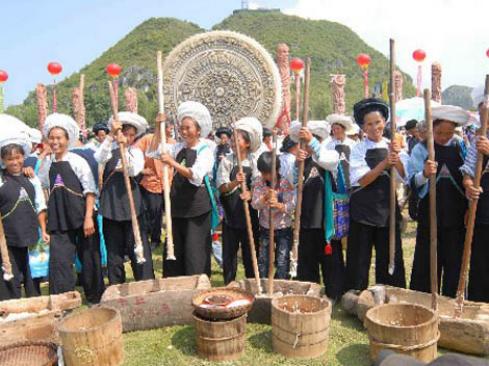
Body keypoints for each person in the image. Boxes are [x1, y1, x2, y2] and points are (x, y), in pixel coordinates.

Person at [38, 113, 104, 303]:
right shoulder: (47, 164)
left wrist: (88, 217)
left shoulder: (77, 161)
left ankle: (95, 297)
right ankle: (62, 301)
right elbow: (40, 183)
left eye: (59, 138)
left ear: (67, 140)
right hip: (59, 219)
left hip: (81, 216)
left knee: (89, 257)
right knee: (59, 262)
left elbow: (90, 190)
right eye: (51, 138)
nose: (55, 141)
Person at [346, 98, 407, 292]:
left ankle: (390, 292)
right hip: (363, 211)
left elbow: (405, 176)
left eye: (378, 122)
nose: (374, 127)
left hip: (387, 211)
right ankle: (356, 294)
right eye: (369, 124)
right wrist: (384, 163)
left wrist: (396, 159)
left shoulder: (394, 146)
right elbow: (362, 180)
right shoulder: (358, 149)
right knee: (359, 257)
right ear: (363, 127)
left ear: (385, 122)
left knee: (389, 255)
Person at [409, 105, 469, 297]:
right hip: (430, 214)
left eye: (449, 133)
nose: (444, 136)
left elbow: (468, 174)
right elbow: (413, 180)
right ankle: (423, 300)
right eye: (439, 132)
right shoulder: (421, 149)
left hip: (455, 215)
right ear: (431, 129)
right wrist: (425, 174)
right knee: (427, 262)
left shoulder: (460, 147)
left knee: (454, 260)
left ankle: (452, 300)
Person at [95, 111, 154, 285]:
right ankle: (116, 286)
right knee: (114, 254)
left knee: (138, 248)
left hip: (132, 207)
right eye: (124, 134)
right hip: (111, 207)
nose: (127, 138)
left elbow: (134, 170)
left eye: (131, 135)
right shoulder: (107, 149)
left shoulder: (135, 152)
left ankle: (145, 284)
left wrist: (124, 156)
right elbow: (99, 158)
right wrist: (112, 136)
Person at [159, 101, 215, 277]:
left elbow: (195, 175)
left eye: (188, 128)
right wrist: (157, 126)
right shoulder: (178, 147)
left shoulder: (205, 150)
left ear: (198, 130)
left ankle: (197, 287)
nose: (184, 132)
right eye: (181, 128)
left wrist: (172, 163)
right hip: (176, 208)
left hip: (196, 209)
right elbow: (154, 151)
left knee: (194, 253)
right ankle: (175, 287)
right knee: (175, 250)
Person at [290, 121, 345, 300]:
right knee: (307, 260)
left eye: (310, 140)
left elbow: (327, 161)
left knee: (331, 260)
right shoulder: (302, 160)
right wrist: (296, 165)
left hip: (325, 219)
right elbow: (294, 183)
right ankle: (310, 292)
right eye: (304, 141)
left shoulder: (330, 155)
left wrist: (312, 142)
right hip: (306, 218)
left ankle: (334, 292)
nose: (306, 145)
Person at [0, 118, 48, 300]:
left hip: (31, 233)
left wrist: (43, 230)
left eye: (17, 157)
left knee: (32, 273)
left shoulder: (31, 177)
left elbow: (40, 205)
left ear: (23, 157)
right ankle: (10, 307)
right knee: (9, 271)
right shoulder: (1, 179)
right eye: (9, 159)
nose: (14, 162)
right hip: (8, 236)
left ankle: (35, 303)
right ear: (3, 160)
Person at [217, 118, 262, 284]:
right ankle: (229, 284)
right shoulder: (227, 161)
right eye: (232, 139)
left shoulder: (254, 161)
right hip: (231, 216)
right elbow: (221, 187)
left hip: (249, 216)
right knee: (229, 254)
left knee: (251, 253)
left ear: (248, 143)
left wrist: (251, 193)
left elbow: (259, 184)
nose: (233, 142)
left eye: (238, 139)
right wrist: (235, 182)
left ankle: (252, 283)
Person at [252, 151, 295, 279]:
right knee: (264, 260)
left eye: (268, 173)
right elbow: (255, 204)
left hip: (283, 227)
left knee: (282, 261)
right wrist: (264, 198)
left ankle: (281, 286)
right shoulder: (259, 183)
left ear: (276, 170)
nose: (266, 176)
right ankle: (263, 286)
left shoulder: (285, 183)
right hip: (266, 227)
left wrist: (278, 205)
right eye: (263, 173)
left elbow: (291, 206)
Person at [461, 110, 489, 302]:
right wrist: (469, 186)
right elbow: (468, 173)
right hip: (483, 210)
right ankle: (478, 305)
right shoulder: (479, 139)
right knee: (480, 261)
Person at [137, 113, 175, 250]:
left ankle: (170, 238)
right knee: (153, 212)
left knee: (170, 212)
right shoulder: (148, 139)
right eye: (169, 127)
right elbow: (135, 154)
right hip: (151, 183)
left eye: (172, 127)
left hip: (168, 184)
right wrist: (141, 170)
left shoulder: (172, 143)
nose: (171, 130)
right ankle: (154, 238)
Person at [325, 114, 358, 189]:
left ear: (343, 129)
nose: (335, 131)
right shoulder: (329, 146)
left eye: (337, 129)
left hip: (350, 176)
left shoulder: (353, 144)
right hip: (335, 177)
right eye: (333, 130)